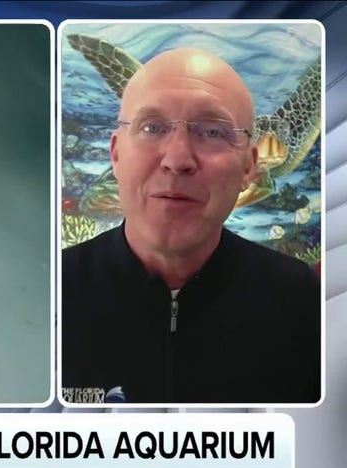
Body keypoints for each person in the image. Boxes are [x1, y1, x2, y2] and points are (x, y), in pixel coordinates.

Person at [61, 47, 321, 405]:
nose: (178, 159)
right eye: (152, 127)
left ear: (249, 167)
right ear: (116, 154)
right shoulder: (48, 297)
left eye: (212, 132)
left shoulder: (300, 300)